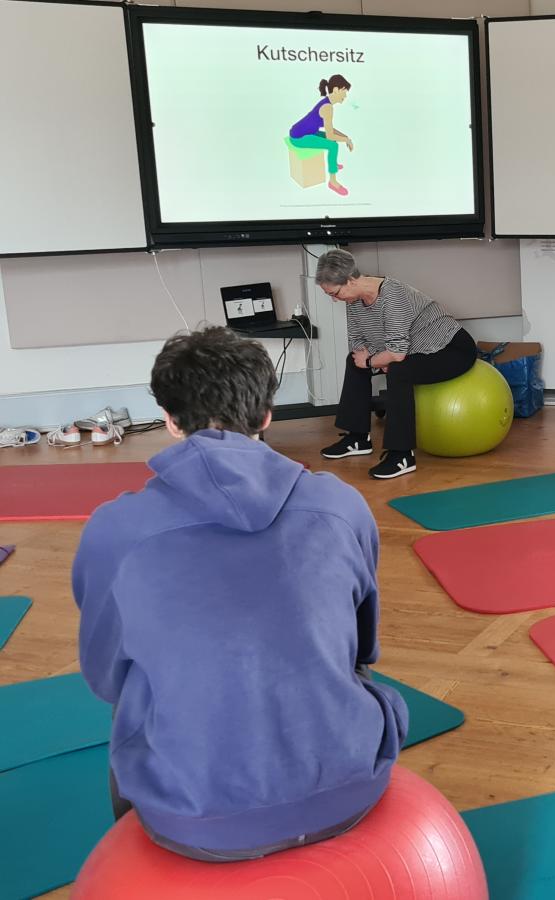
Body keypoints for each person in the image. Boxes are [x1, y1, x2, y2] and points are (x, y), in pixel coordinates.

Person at [73, 326, 408, 861]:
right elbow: (362, 648)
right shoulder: (342, 505)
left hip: (194, 822)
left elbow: (105, 676)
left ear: (170, 421)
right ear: (267, 414)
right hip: (350, 789)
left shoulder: (115, 529)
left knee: (136, 696)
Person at [316, 248, 477, 479]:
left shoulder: (393, 295)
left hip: (450, 349)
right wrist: (375, 360)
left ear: (351, 280)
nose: (334, 299)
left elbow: (397, 354)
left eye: (335, 293)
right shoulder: (353, 301)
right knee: (354, 362)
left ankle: (402, 456)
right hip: (414, 351)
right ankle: (358, 438)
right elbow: (358, 342)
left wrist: (374, 360)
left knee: (400, 370)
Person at [288, 75, 354, 196]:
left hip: (307, 132)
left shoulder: (327, 103)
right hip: (298, 138)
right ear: (336, 90)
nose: (345, 96)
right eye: (344, 91)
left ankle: (332, 164)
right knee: (333, 146)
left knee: (333, 143)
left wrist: (345, 137)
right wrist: (346, 140)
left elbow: (330, 129)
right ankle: (333, 182)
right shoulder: (327, 108)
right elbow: (330, 136)